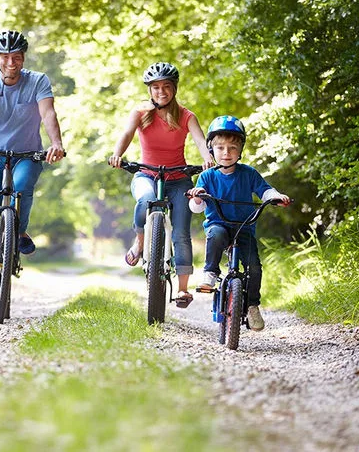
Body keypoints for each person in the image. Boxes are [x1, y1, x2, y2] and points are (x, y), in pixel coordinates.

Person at [0, 30, 66, 304]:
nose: (12, 63)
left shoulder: (38, 81)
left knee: (21, 189)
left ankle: (18, 230)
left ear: (23, 59)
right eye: (6, 57)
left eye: (17, 57)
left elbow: (48, 113)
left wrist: (55, 142)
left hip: (28, 154)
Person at [107, 62, 214, 308]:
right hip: (147, 175)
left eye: (166, 86)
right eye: (155, 87)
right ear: (149, 90)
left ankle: (183, 289)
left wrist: (207, 157)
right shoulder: (141, 112)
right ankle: (141, 240)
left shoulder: (187, 116)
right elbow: (126, 134)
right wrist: (117, 154)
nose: (161, 91)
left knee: (181, 233)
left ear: (174, 89)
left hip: (178, 179)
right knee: (144, 199)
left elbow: (200, 140)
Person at [187, 115, 291, 331]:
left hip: (244, 227)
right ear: (211, 149)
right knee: (215, 235)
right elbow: (197, 207)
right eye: (221, 148)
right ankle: (210, 272)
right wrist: (198, 196)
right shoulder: (207, 176)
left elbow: (264, 190)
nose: (226, 153)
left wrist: (276, 196)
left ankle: (253, 306)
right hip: (219, 224)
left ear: (241, 149)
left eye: (233, 148)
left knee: (254, 266)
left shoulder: (249, 173)